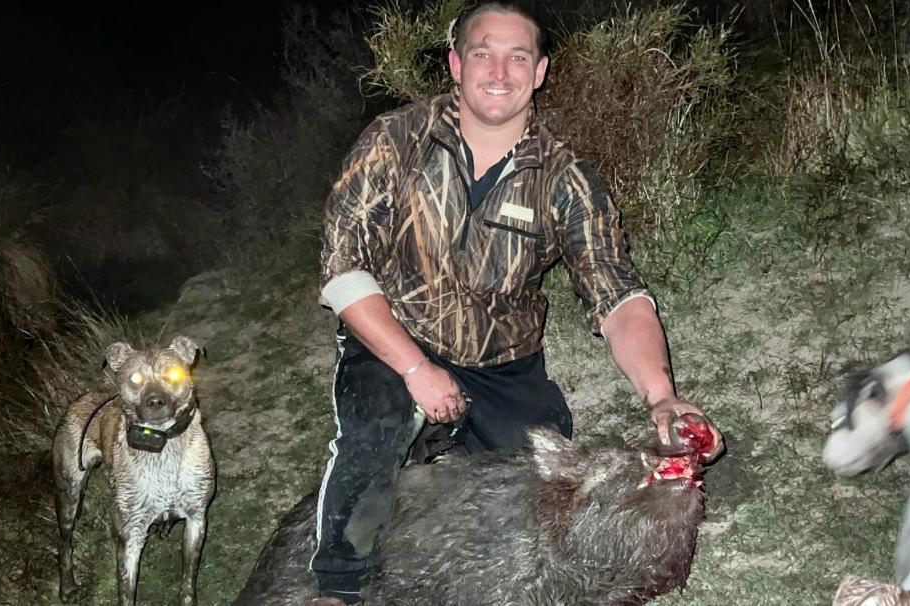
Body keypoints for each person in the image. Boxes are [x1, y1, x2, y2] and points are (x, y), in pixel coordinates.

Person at [310, 3, 724, 604]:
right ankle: (338, 586)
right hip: (395, 340)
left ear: (539, 72)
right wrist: (414, 369)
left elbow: (618, 296)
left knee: (537, 484)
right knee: (375, 430)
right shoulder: (392, 141)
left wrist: (661, 396)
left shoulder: (566, 177)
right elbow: (342, 271)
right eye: (483, 52)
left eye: (518, 57)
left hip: (503, 364)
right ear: (455, 64)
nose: (498, 71)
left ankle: (442, 450)